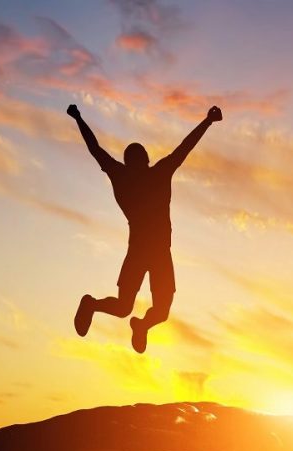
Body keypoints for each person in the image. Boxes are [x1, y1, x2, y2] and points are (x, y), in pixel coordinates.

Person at [68, 104, 222, 353]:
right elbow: (183, 148)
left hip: (157, 252)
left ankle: (139, 326)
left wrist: (79, 118)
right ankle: (93, 306)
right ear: (141, 162)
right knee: (129, 308)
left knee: (154, 311)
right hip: (144, 251)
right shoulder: (146, 174)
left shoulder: (132, 175)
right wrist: (207, 121)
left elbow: (96, 150)